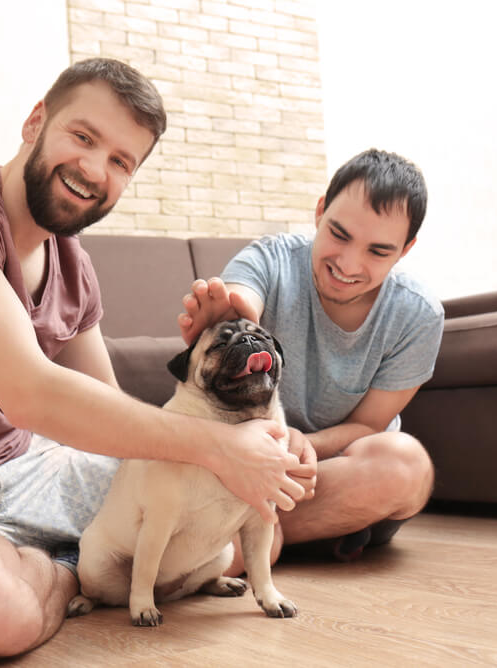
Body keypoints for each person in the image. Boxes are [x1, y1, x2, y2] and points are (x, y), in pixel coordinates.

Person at [0, 58, 313, 660]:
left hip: (36, 473)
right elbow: (30, 392)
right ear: (35, 123)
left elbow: (112, 424)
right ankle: (77, 574)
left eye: (120, 162)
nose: (93, 170)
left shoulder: (71, 261)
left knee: (256, 525)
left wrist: (228, 398)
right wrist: (216, 448)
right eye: (83, 137)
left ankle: (80, 567)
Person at [178, 148, 443, 570]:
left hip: (337, 480)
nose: (349, 264)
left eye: (378, 251)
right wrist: (230, 316)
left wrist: (304, 445)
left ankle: (256, 532)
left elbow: (370, 425)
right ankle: (261, 537)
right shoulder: (271, 258)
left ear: (405, 250)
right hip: (246, 469)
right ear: (320, 212)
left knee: (407, 465)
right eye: (339, 234)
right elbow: (243, 299)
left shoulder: (418, 315)